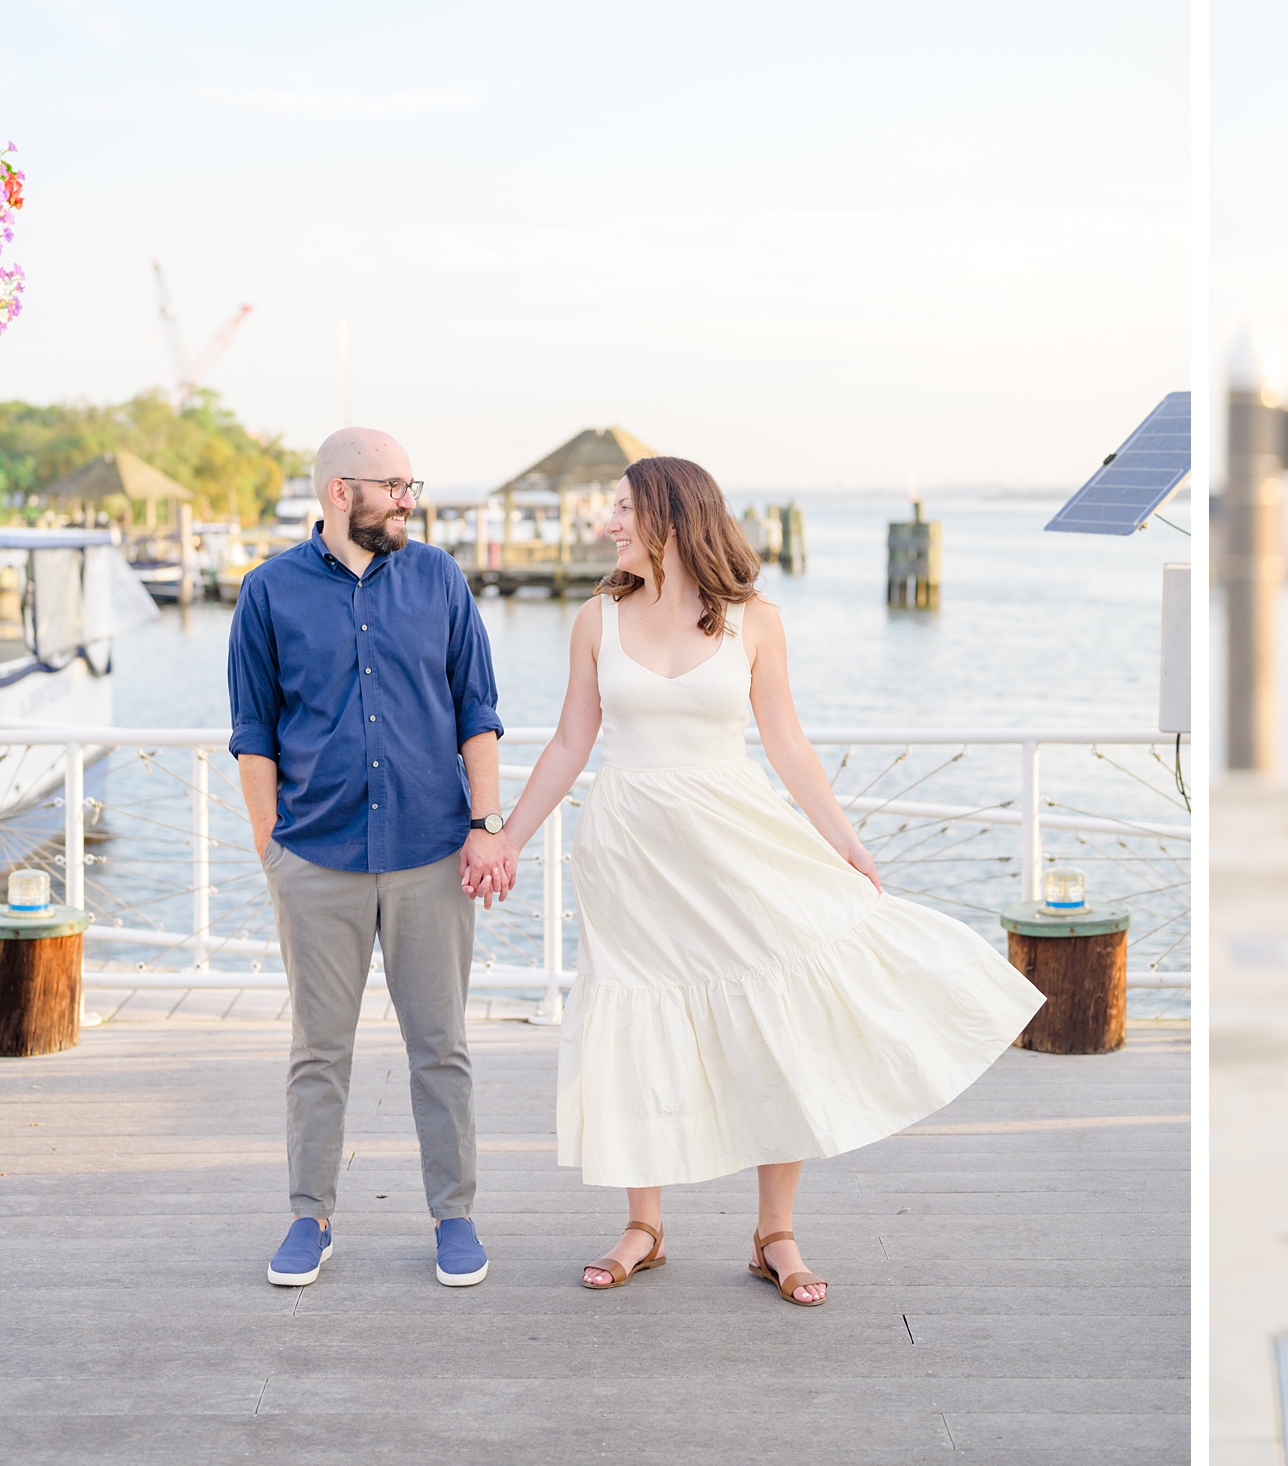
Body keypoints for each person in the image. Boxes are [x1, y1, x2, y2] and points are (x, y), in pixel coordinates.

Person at [496, 455, 1044, 1302]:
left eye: (621, 510)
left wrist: (846, 843)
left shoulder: (755, 621)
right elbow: (570, 744)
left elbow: (787, 743)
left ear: (670, 520)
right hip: (631, 853)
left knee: (772, 1015)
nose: (607, 525)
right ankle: (644, 1223)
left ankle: (774, 1233)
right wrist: (507, 839)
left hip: (737, 844)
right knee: (640, 1019)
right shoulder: (596, 619)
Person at [231, 427, 512, 1291]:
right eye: (394, 485)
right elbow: (254, 735)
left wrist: (486, 822)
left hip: (432, 848)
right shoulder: (267, 592)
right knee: (318, 1049)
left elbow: (476, 708)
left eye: (410, 484)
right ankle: (309, 1216)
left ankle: (453, 1216)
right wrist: (271, 850)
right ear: (340, 491)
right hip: (317, 856)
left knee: (441, 1045)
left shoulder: (439, 579)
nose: (408, 500)